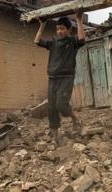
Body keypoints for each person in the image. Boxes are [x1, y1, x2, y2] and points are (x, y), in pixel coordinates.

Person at [34, 10, 85, 143]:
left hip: (66, 77)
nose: (59, 31)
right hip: (52, 78)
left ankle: (74, 118)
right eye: (57, 29)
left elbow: (81, 39)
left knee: (61, 104)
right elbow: (36, 41)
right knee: (51, 107)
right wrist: (42, 25)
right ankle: (55, 134)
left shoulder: (72, 42)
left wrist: (79, 19)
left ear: (68, 29)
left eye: (62, 29)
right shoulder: (53, 43)